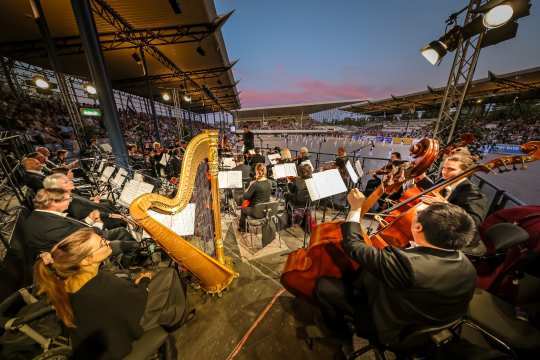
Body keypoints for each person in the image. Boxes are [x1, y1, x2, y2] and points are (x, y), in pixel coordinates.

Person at [315, 189, 477, 349]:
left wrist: (356, 208)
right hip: (428, 322)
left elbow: (353, 245)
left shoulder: (407, 264)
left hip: (391, 330)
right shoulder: (468, 266)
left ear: (418, 228)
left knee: (324, 286)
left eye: (417, 213)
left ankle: (340, 335)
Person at [33, 228, 186, 359]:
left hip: (101, 343)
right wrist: (144, 282)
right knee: (167, 276)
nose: (107, 243)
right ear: (86, 260)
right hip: (119, 344)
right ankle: (176, 318)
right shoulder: (104, 284)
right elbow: (137, 302)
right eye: (102, 244)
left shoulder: (66, 282)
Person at [23, 188, 137, 262]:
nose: (70, 200)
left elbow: (73, 230)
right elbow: (83, 238)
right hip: (80, 254)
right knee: (132, 245)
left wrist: (89, 219)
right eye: (68, 198)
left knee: (122, 231)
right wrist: (98, 224)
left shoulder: (42, 215)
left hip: (78, 243)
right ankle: (126, 267)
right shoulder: (49, 224)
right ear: (54, 203)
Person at [239, 163, 272, 231]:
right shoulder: (269, 182)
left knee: (243, 208)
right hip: (265, 211)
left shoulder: (255, 184)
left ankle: (243, 228)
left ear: (257, 171)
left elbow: (246, 197)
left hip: (255, 212)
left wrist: (248, 187)